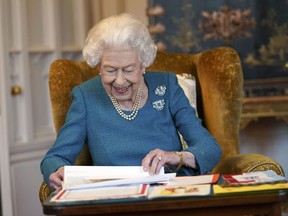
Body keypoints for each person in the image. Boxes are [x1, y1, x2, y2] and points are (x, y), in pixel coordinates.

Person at [40, 13, 222, 192]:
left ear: (143, 65)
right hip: (115, 199)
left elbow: (210, 148)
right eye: (110, 70)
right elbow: (54, 158)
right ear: (98, 67)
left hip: (170, 194)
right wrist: (57, 170)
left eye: (128, 70)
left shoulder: (167, 86)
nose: (119, 81)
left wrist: (176, 157)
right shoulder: (86, 96)